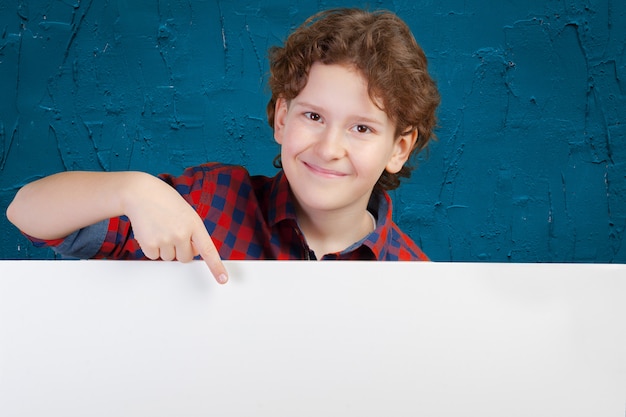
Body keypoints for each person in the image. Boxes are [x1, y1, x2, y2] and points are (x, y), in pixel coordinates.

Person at [6, 8, 440, 284]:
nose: (329, 148)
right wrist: (131, 190)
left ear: (399, 148)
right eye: (313, 117)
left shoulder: (416, 279)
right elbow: (25, 210)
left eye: (361, 129)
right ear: (283, 118)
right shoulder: (208, 203)